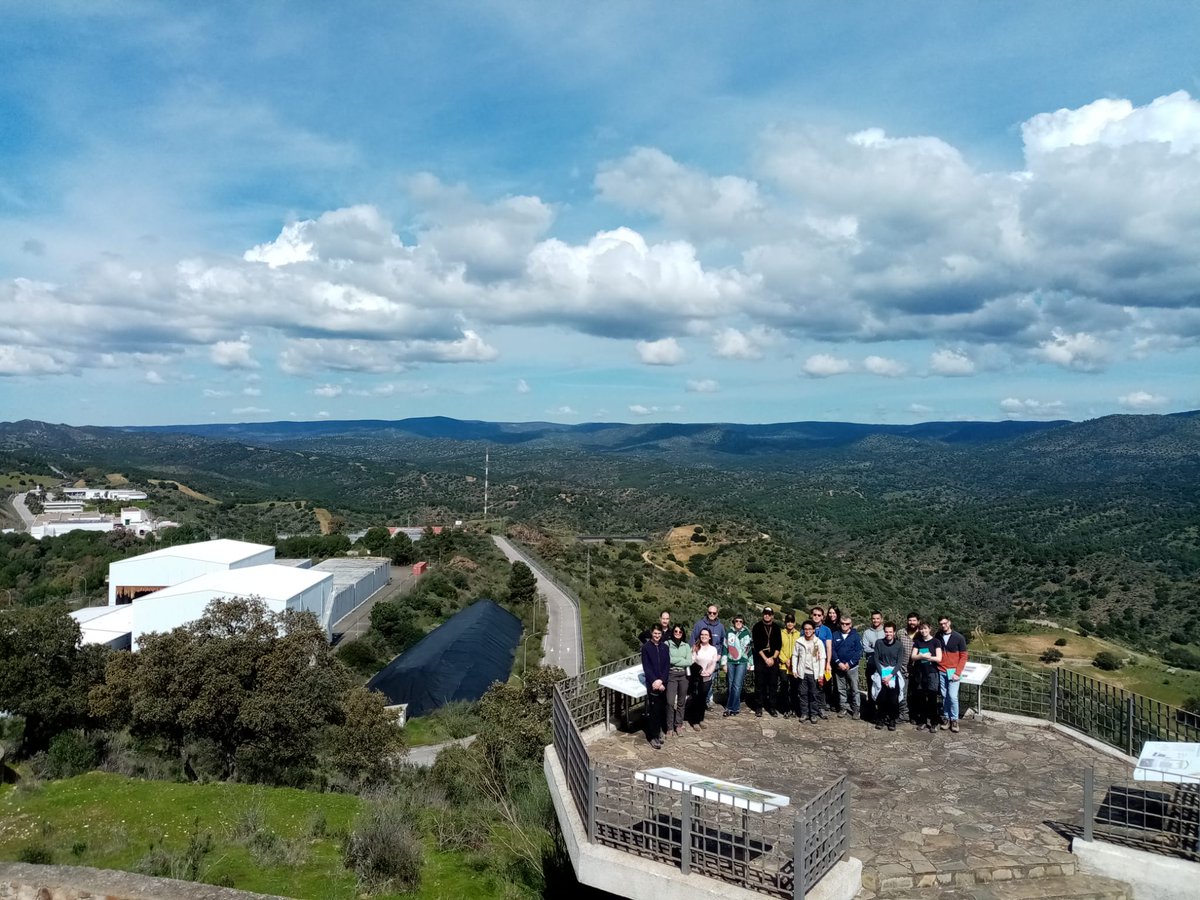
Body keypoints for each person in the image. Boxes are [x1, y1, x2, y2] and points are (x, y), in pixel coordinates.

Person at [870, 623, 906, 731]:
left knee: (893, 699)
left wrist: (891, 675)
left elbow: (899, 662)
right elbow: (876, 659)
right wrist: (882, 675)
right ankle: (881, 718)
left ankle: (892, 719)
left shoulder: (899, 645)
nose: (888, 634)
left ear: (894, 632)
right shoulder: (879, 643)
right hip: (881, 672)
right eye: (886, 631)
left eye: (890, 632)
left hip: (893, 673)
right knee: (881, 698)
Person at [909, 621, 943, 732]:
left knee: (932, 698)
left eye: (925, 628)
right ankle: (922, 721)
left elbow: (939, 658)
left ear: (930, 629)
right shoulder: (918, 642)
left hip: (932, 673)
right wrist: (922, 656)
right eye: (921, 629)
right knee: (921, 698)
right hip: (920, 673)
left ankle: (934, 722)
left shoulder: (936, 642)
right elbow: (913, 657)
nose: (923, 631)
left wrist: (928, 657)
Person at [937, 615, 969, 733]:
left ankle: (954, 719)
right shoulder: (938, 636)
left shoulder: (959, 637)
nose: (943, 625)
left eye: (945, 623)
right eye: (941, 624)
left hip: (953, 671)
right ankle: (946, 718)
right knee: (944, 696)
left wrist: (957, 672)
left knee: (953, 696)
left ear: (949, 623)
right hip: (941, 670)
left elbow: (963, 656)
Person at [691, 605, 727, 708]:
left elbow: (723, 642)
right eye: (710, 612)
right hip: (699, 658)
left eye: (714, 613)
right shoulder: (699, 624)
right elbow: (693, 638)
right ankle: (698, 702)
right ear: (707, 613)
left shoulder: (720, 627)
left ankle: (707, 701)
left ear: (717, 614)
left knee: (710, 680)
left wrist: (720, 654)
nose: (712, 614)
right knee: (698, 682)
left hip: (713, 658)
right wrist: (693, 651)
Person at [640, 624, 670, 749]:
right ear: (651, 633)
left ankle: (659, 731)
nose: (657, 635)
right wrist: (655, 681)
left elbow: (667, 666)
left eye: (659, 633)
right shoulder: (646, 648)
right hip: (652, 684)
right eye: (655, 633)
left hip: (663, 684)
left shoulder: (665, 647)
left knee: (662, 708)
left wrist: (662, 681)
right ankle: (653, 736)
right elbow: (646, 667)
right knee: (654, 710)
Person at [792, 619, 827, 722]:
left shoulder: (818, 642)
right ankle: (804, 713)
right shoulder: (799, 641)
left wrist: (821, 674)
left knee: (814, 694)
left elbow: (822, 658)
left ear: (813, 630)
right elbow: (795, 655)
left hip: (814, 673)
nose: (807, 631)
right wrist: (794, 669)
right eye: (805, 629)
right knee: (803, 694)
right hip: (802, 673)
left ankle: (813, 714)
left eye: (809, 629)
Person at [752, 606, 782, 717]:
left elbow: (779, 645)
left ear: (772, 616)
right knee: (760, 684)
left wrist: (773, 658)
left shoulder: (776, 627)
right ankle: (759, 706)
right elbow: (757, 645)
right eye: (765, 613)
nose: (767, 615)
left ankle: (772, 707)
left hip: (773, 659)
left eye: (769, 614)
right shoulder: (757, 627)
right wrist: (766, 659)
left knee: (773, 684)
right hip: (761, 659)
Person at [830, 613, 863, 718]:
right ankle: (843, 707)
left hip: (852, 668)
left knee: (855, 689)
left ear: (851, 624)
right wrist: (838, 662)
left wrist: (850, 663)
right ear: (840, 623)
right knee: (841, 689)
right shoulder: (835, 635)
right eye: (842, 623)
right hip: (839, 667)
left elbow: (859, 651)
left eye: (847, 624)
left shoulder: (856, 636)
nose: (844, 625)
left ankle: (856, 709)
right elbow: (832, 650)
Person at [687, 627, 720, 729]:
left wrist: (709, 672)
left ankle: (701, 719)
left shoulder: (713, 649)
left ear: (709, 637)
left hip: (707, 678)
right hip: (696, 678)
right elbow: (691, 661)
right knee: (696, 698)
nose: (704, 636)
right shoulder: (695, 647)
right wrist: (700, 670)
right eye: (702, 634)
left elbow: (713, 663)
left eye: (706, 635)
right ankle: (695, 721)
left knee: (703, 699)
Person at [722, 615, 753, 717]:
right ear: (733, 622)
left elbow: (749, 649)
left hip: (742, 662)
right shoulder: (729, 633)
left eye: (740, 621)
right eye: (736, 621)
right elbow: (725, 648)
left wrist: (750, 663)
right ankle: (735, 708)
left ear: (743, 623)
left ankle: (729, 708)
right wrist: (724, 663)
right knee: (731, 685)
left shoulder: (746, 633)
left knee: (737, 685)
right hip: (731, 662)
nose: (738, 623)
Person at [664, 624, 691, 737]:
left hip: (683, 675)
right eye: (676, 631)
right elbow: (668, 659)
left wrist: (676, 660)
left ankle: (678, 725)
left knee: (681, 702)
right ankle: (669, 727)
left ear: (683, 633)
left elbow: (689, 661)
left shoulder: (686, 646)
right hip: (672, 675)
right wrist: (681, 659)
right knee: (670, 702)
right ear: (673, 632)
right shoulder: (667, 644)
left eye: (680, 632)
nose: (678, 633)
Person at [861, 611, 886, 722]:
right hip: (871, 664)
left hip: (884, 665)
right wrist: (879, 650)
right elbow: (865, 648)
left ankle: (882, 712)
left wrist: (874, 648)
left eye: (877, 618)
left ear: (881, 619)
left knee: (883, 687)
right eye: (873, 618)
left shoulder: (885, 631)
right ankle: (871, 712)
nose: (875, 620)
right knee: (871, 687)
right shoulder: (867, 632)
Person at [811, 607, 834, 713]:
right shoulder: (806, 628)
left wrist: (828, 663)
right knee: (810, 683)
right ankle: (811, 706)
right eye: (814, 614)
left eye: (819, 615)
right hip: (809, 661)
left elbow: (829, 647)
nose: (816, 617)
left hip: (822, 661)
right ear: (811, 615)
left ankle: (821, 706)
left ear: (822, 617)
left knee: (821, 684)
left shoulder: (827, 630)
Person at [899, 612, 920, 722]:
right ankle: (904, 714)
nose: (912, 622)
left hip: (917, 669)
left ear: (918, 621)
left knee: (916, 692)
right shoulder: (900, 633)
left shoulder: (921, 633)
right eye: (910, 620)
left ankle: (914, 714)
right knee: (902, 692)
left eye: (914, 620)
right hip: (903, 667)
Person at [779, 613, 801, 718]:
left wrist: (793, 661)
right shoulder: (780, 633)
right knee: (784, 688)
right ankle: (786, 709)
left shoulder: (799, 634)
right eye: (788, 621)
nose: (790, 623)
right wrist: (785, 660)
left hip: (795, 666)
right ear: (785, 622)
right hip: (783, 666)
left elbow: (800, 649)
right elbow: (778, 648)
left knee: (794, 688)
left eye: (792, 621)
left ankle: (794, 708)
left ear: (794, 623)